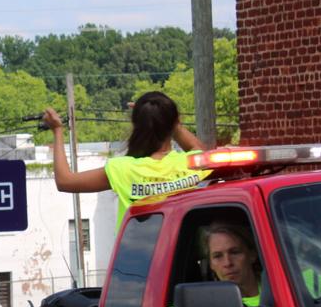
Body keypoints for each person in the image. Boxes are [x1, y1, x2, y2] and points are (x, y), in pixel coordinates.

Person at [52, 222, 262, 307]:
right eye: (218, 256)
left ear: (252, 254)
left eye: (235, 252)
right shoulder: (208, 302)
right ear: (211, 264)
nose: (227, 262)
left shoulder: (287, 292)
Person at [42, 91, 211, 225]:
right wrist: (166, 119)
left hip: (136, 265)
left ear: (136, 125)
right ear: (175, 123)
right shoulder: (192, 165)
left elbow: (65, 181)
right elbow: (200, 149)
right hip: (184, 265)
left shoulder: (123, 169)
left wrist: (57, 130)